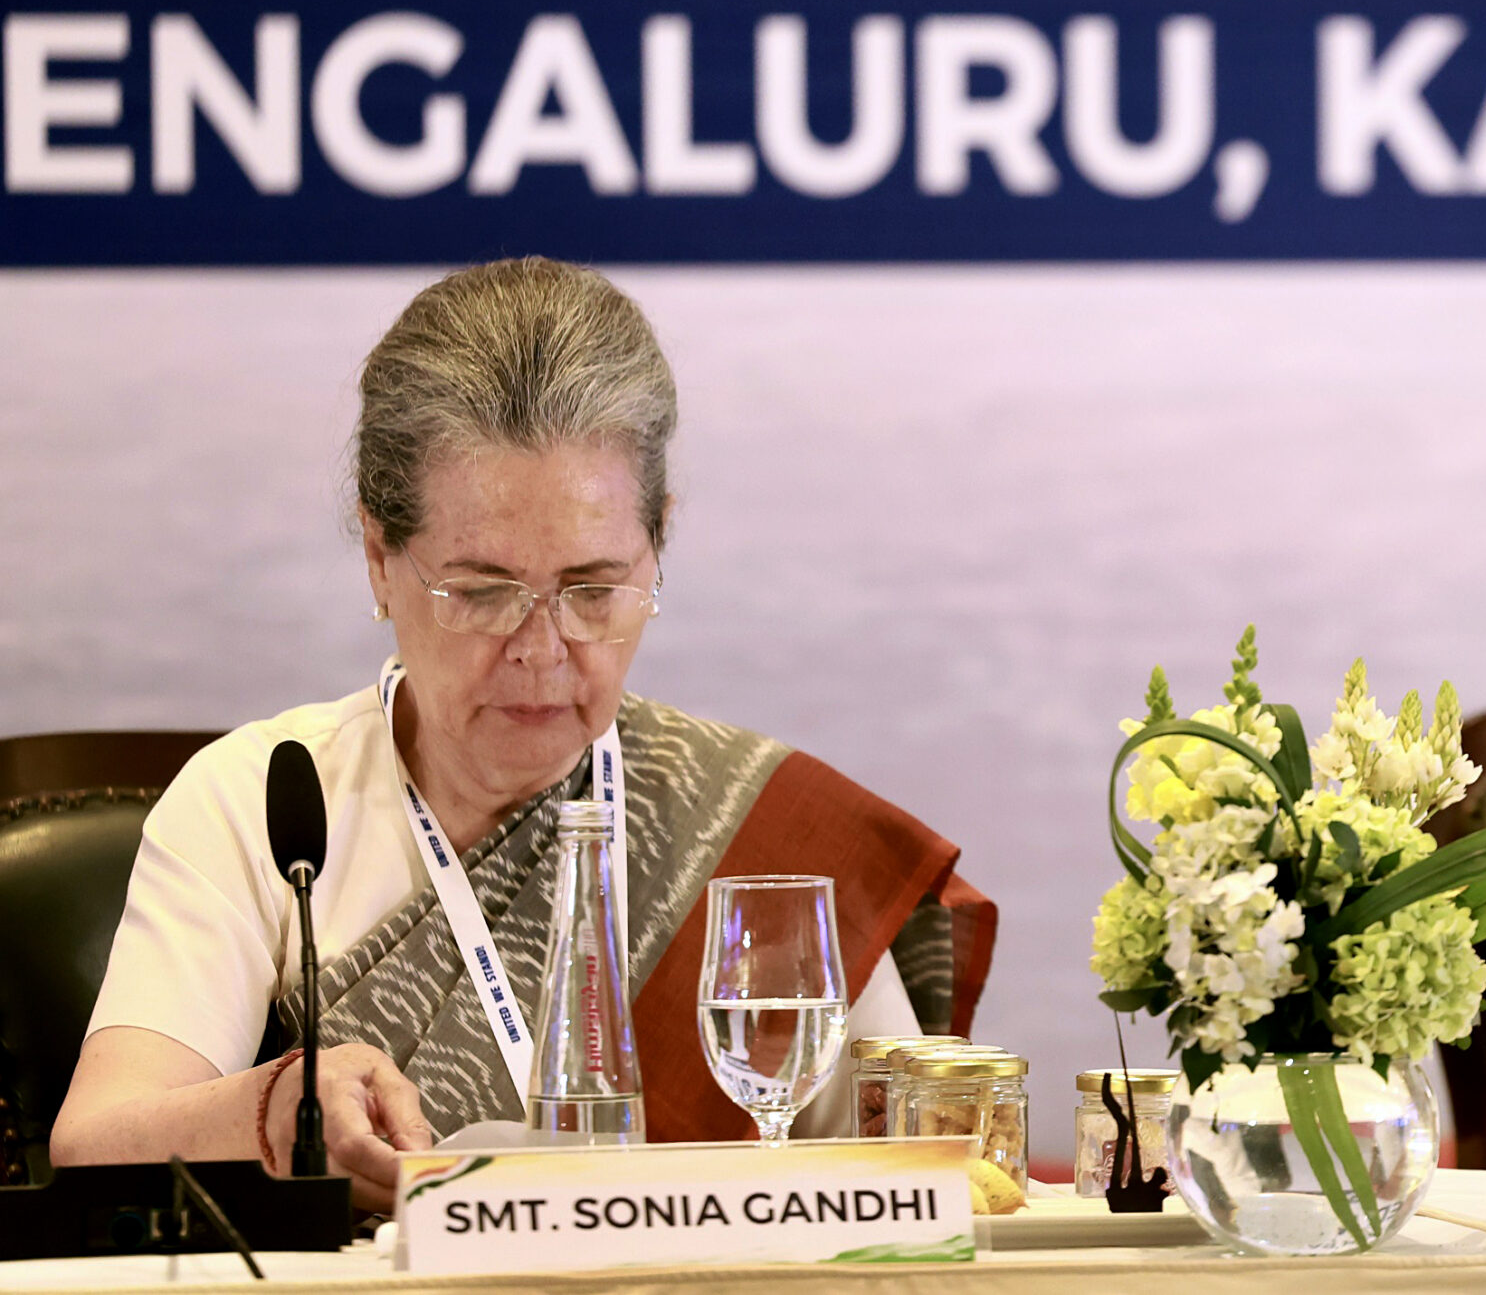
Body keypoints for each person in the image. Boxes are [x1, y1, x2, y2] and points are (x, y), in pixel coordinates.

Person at [52, 258, 995, 1210]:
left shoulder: (760, 825)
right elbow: (94, 1141)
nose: (542, 650)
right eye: (483, 592)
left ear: (660, 542)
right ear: (381, 559)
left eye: (592, 589)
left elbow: (917, 1184)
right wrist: (273, 1107)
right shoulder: (261, 800)